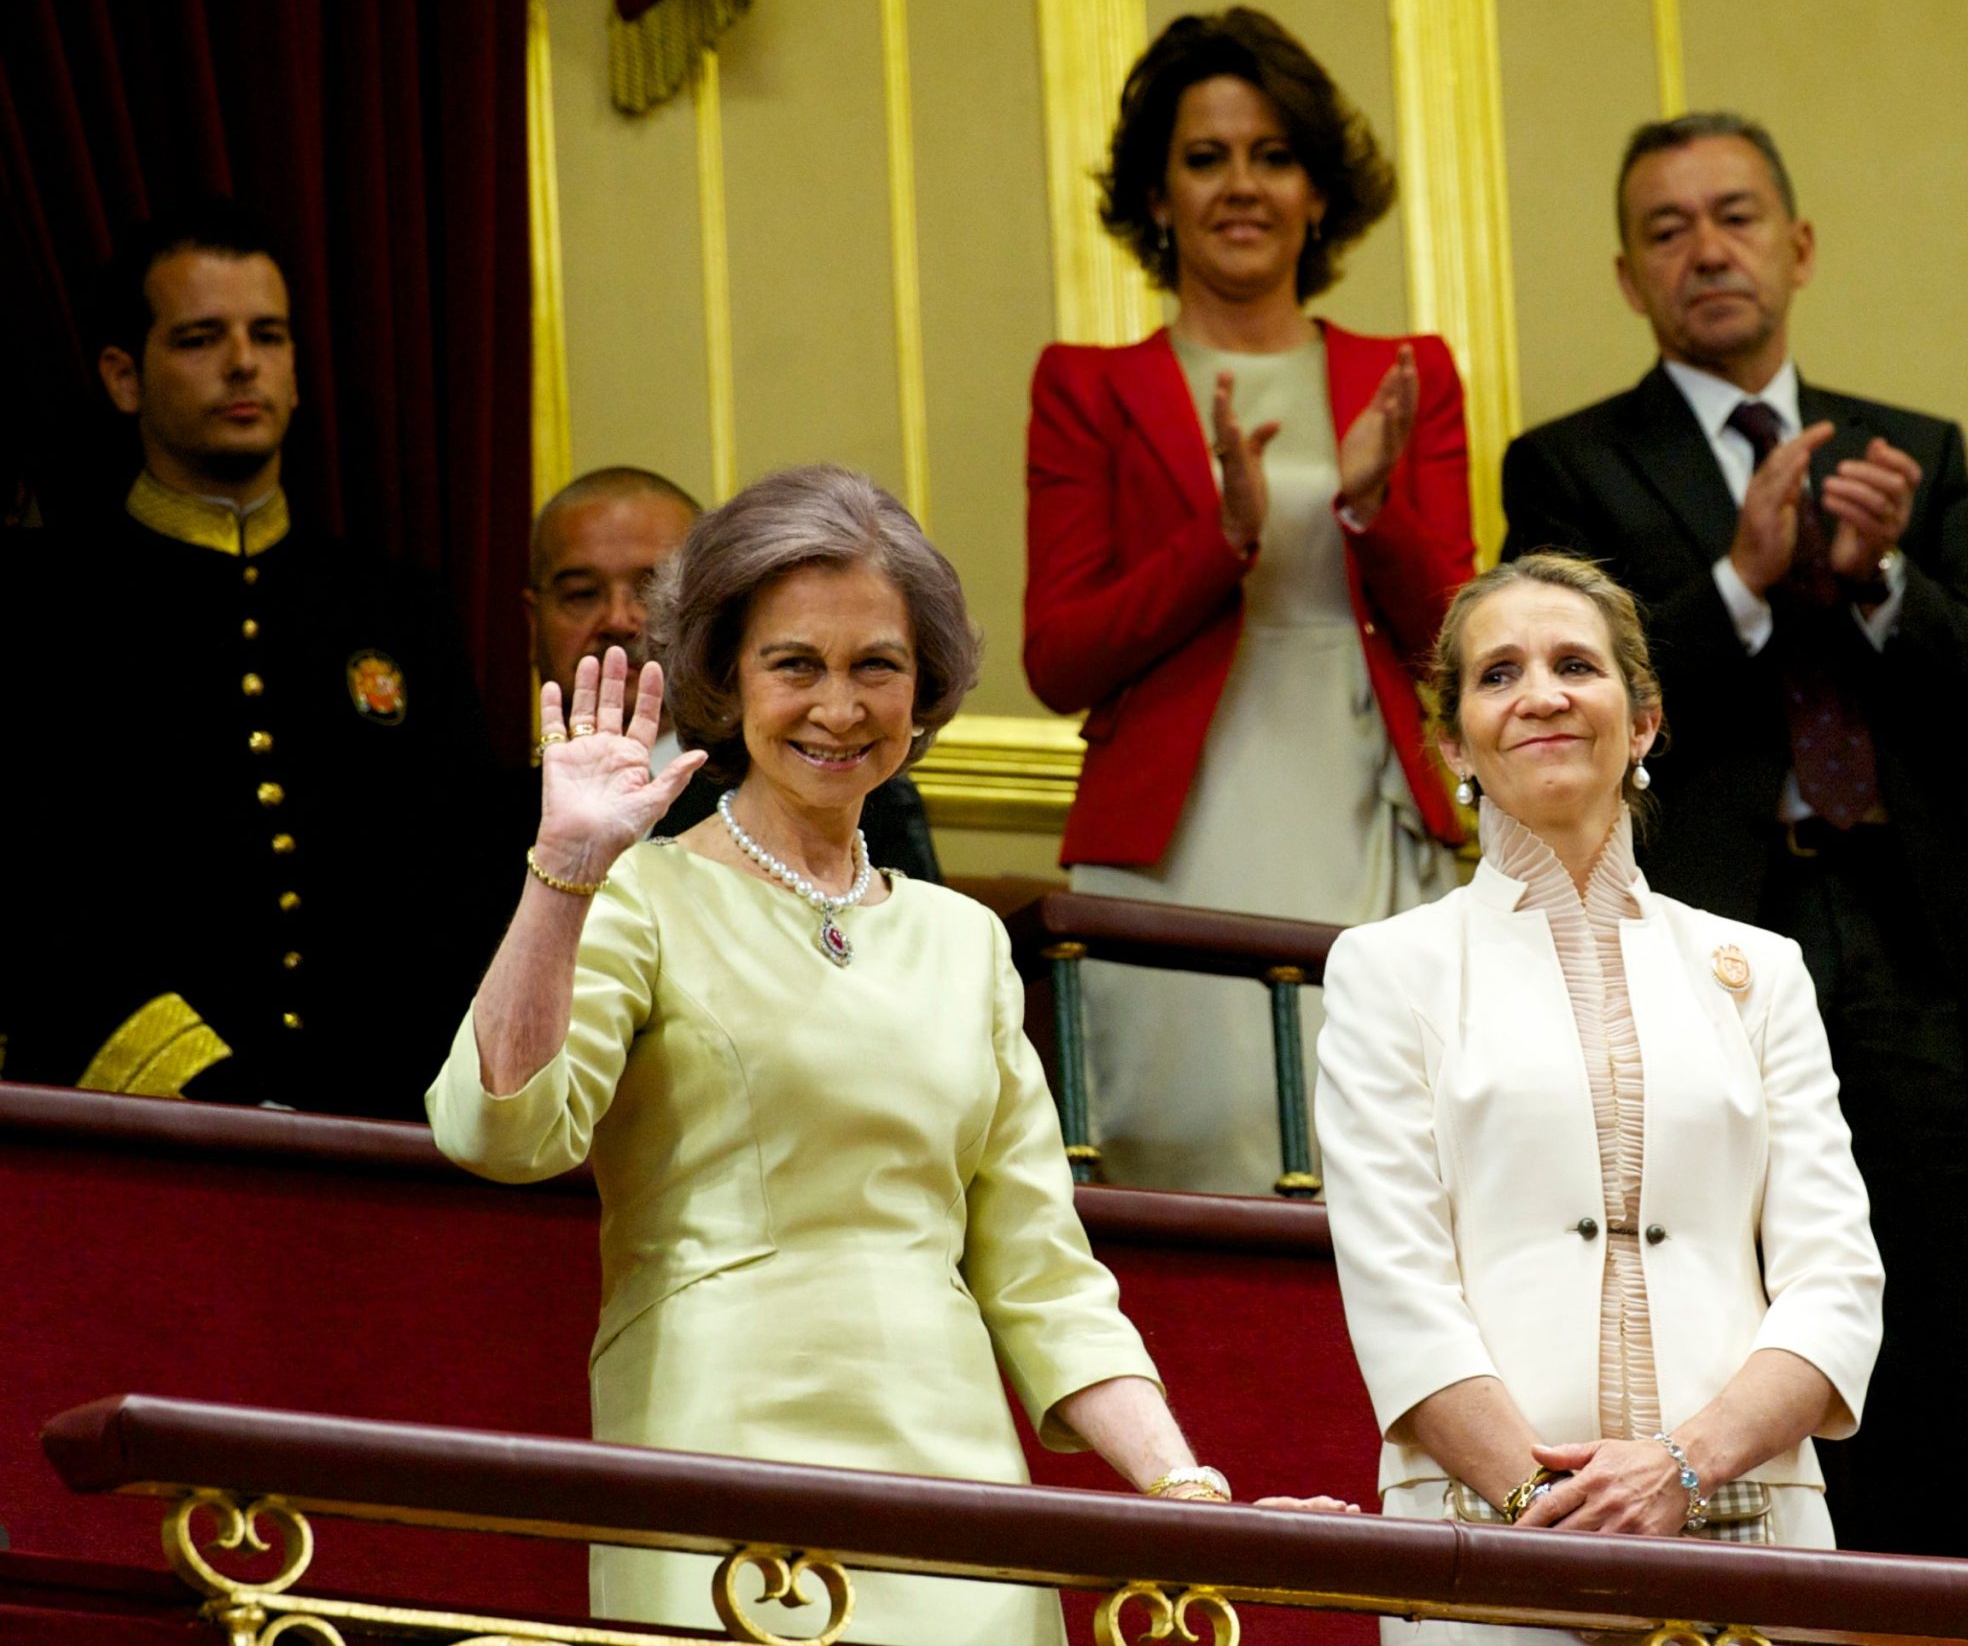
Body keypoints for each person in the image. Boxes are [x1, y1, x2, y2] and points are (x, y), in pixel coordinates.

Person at [430, 466, 1340, 1643]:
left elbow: (1043, 1277)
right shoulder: (638, 896)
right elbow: (499, 1134)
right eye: (794, 664)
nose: (838, 707)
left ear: (925, 690)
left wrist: (1180, 1486)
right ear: (726, 678)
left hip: (954, 1467)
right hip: (719, 1440)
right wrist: (563, 871)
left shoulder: (963, 942)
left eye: (877, 666)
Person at [1498, 112, 1968, 1556]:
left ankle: (1939, 1598)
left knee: (1936, 1300)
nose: (1708, 250)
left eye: (1735, 216)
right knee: (1731, 1281)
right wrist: (1740, 579)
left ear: (1796, 247)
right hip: (1706, 929)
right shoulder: (1568, 466)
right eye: (1668, 230)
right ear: (1628, 277)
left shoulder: (1910, 451)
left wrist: (1880, 585)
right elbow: (1573, 712)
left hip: (1909, 929)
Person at [1316, 554, 1882, 1644]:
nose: (1542, 695)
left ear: (1645, 722)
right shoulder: (1387, 968)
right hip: (1488, 1537)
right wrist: (1550, 1519)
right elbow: (1397, 1289)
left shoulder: (1759, 969)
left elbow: (1835, 1279)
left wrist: (1682, 1463)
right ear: (1450, 743)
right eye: (1498, 674)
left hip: (1750, 1519)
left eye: (1576, 664)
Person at [1024, 6, 1474, 1196]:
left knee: (1394, 1177)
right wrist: (1219, 540)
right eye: (1206, 156)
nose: (1243, 186)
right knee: (1197, 1163)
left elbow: (1455, 647)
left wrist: (1373, 514)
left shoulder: (1406, 373)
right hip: (1179, 841)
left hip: (1371, 821)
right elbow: (1058, 658)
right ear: (1156, 196)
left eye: (1273, 156)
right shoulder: (1089, 388)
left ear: (1318, 193)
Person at [0, 198, 498, 1117]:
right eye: (199, 338)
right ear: (122, 376)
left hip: (388, 1117)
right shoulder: (40, 609)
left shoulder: (394, 607)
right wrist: (205, 1087)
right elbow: (35, 895)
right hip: (148, 1123)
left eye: (267, 335)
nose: (242, 362)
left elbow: (457, 877)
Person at [525, 464, 939, 878]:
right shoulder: (478, 819)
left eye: (649, 588)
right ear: (532, 623)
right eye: (582, 594)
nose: (619, 619)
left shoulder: (850, 789)